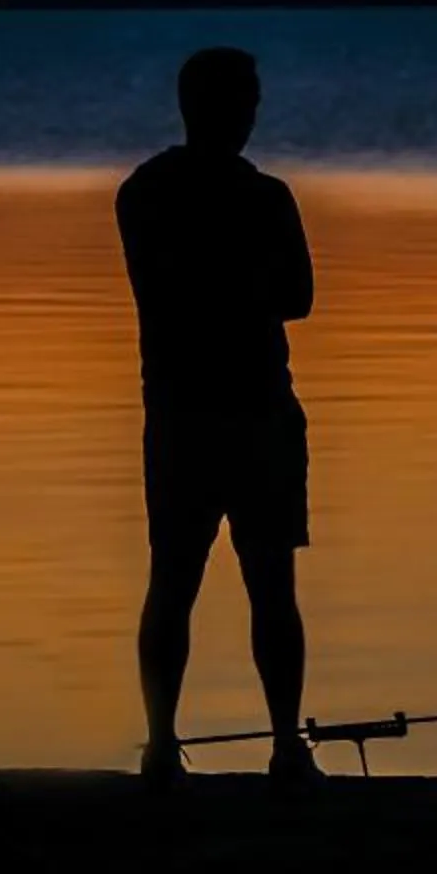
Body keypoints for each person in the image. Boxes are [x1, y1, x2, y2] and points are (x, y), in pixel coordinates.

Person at [118, 47, 318, 791]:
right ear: (219, 107)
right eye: (246, 100)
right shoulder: (265, 199)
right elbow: (296, 297)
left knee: (176, 581)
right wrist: (245, 281)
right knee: (263, 587)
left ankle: (165, 747)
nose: (252, 112)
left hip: (180, 415)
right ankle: (282, 749)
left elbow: (174, 287)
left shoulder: (142, 192)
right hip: (250, 411)